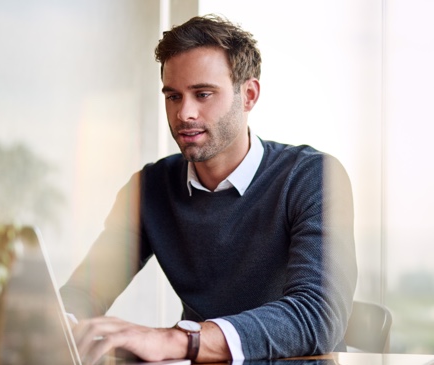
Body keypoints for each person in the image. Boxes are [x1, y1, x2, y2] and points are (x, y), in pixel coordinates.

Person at [60, 14, 357, 364]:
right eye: (173, 96)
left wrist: (180, 340)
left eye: (203, 94)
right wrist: (62, 322)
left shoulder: (311, 177)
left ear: (248, 95)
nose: (184, 113)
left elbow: (318, 316)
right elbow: (84, 292)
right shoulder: (150, 187)